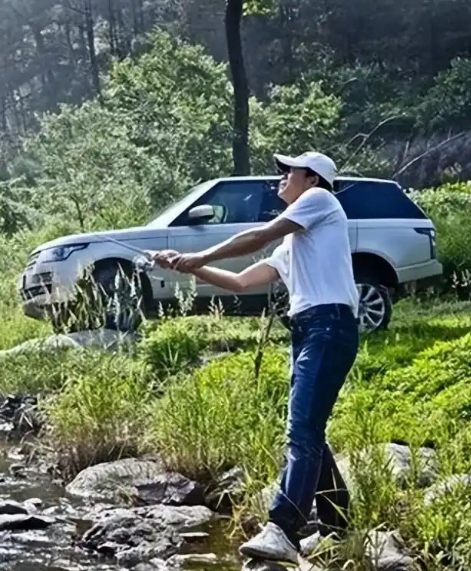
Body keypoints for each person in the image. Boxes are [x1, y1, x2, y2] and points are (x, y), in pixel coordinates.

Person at [150, 151, 359, 563]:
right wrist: (189, 267)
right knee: (310, 430)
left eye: (288, 171)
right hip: (313, 330)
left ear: (312, 179)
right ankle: (335, 527)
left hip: (328, 326)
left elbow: (258, 235)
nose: (280, 177)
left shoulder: (320, 202)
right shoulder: (296, 237)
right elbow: (242, 282)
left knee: (302, 431)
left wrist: (200, 255)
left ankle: (282, 529)